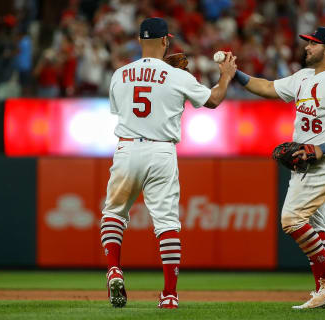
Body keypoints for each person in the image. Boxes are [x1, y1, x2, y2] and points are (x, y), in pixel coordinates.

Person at [100, 17, 237, 309]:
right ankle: (170, 295)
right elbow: (213, 101)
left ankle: (114, 268)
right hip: (161, 152)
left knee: (114, 213)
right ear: (165, 41)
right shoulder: (178, 76)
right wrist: (225, 75)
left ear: (139, 40)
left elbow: (123, 109)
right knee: (167, 224)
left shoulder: (119, 74)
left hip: (127, 148)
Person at [233, 27, 325, 309]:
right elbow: (267, 87)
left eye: (313, 44)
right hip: (304, 162)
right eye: (308, 42)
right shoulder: (303, 77)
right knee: (315, 226)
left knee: (291, 220)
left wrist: (321, 148)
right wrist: (235, 74)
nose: (306, 47)